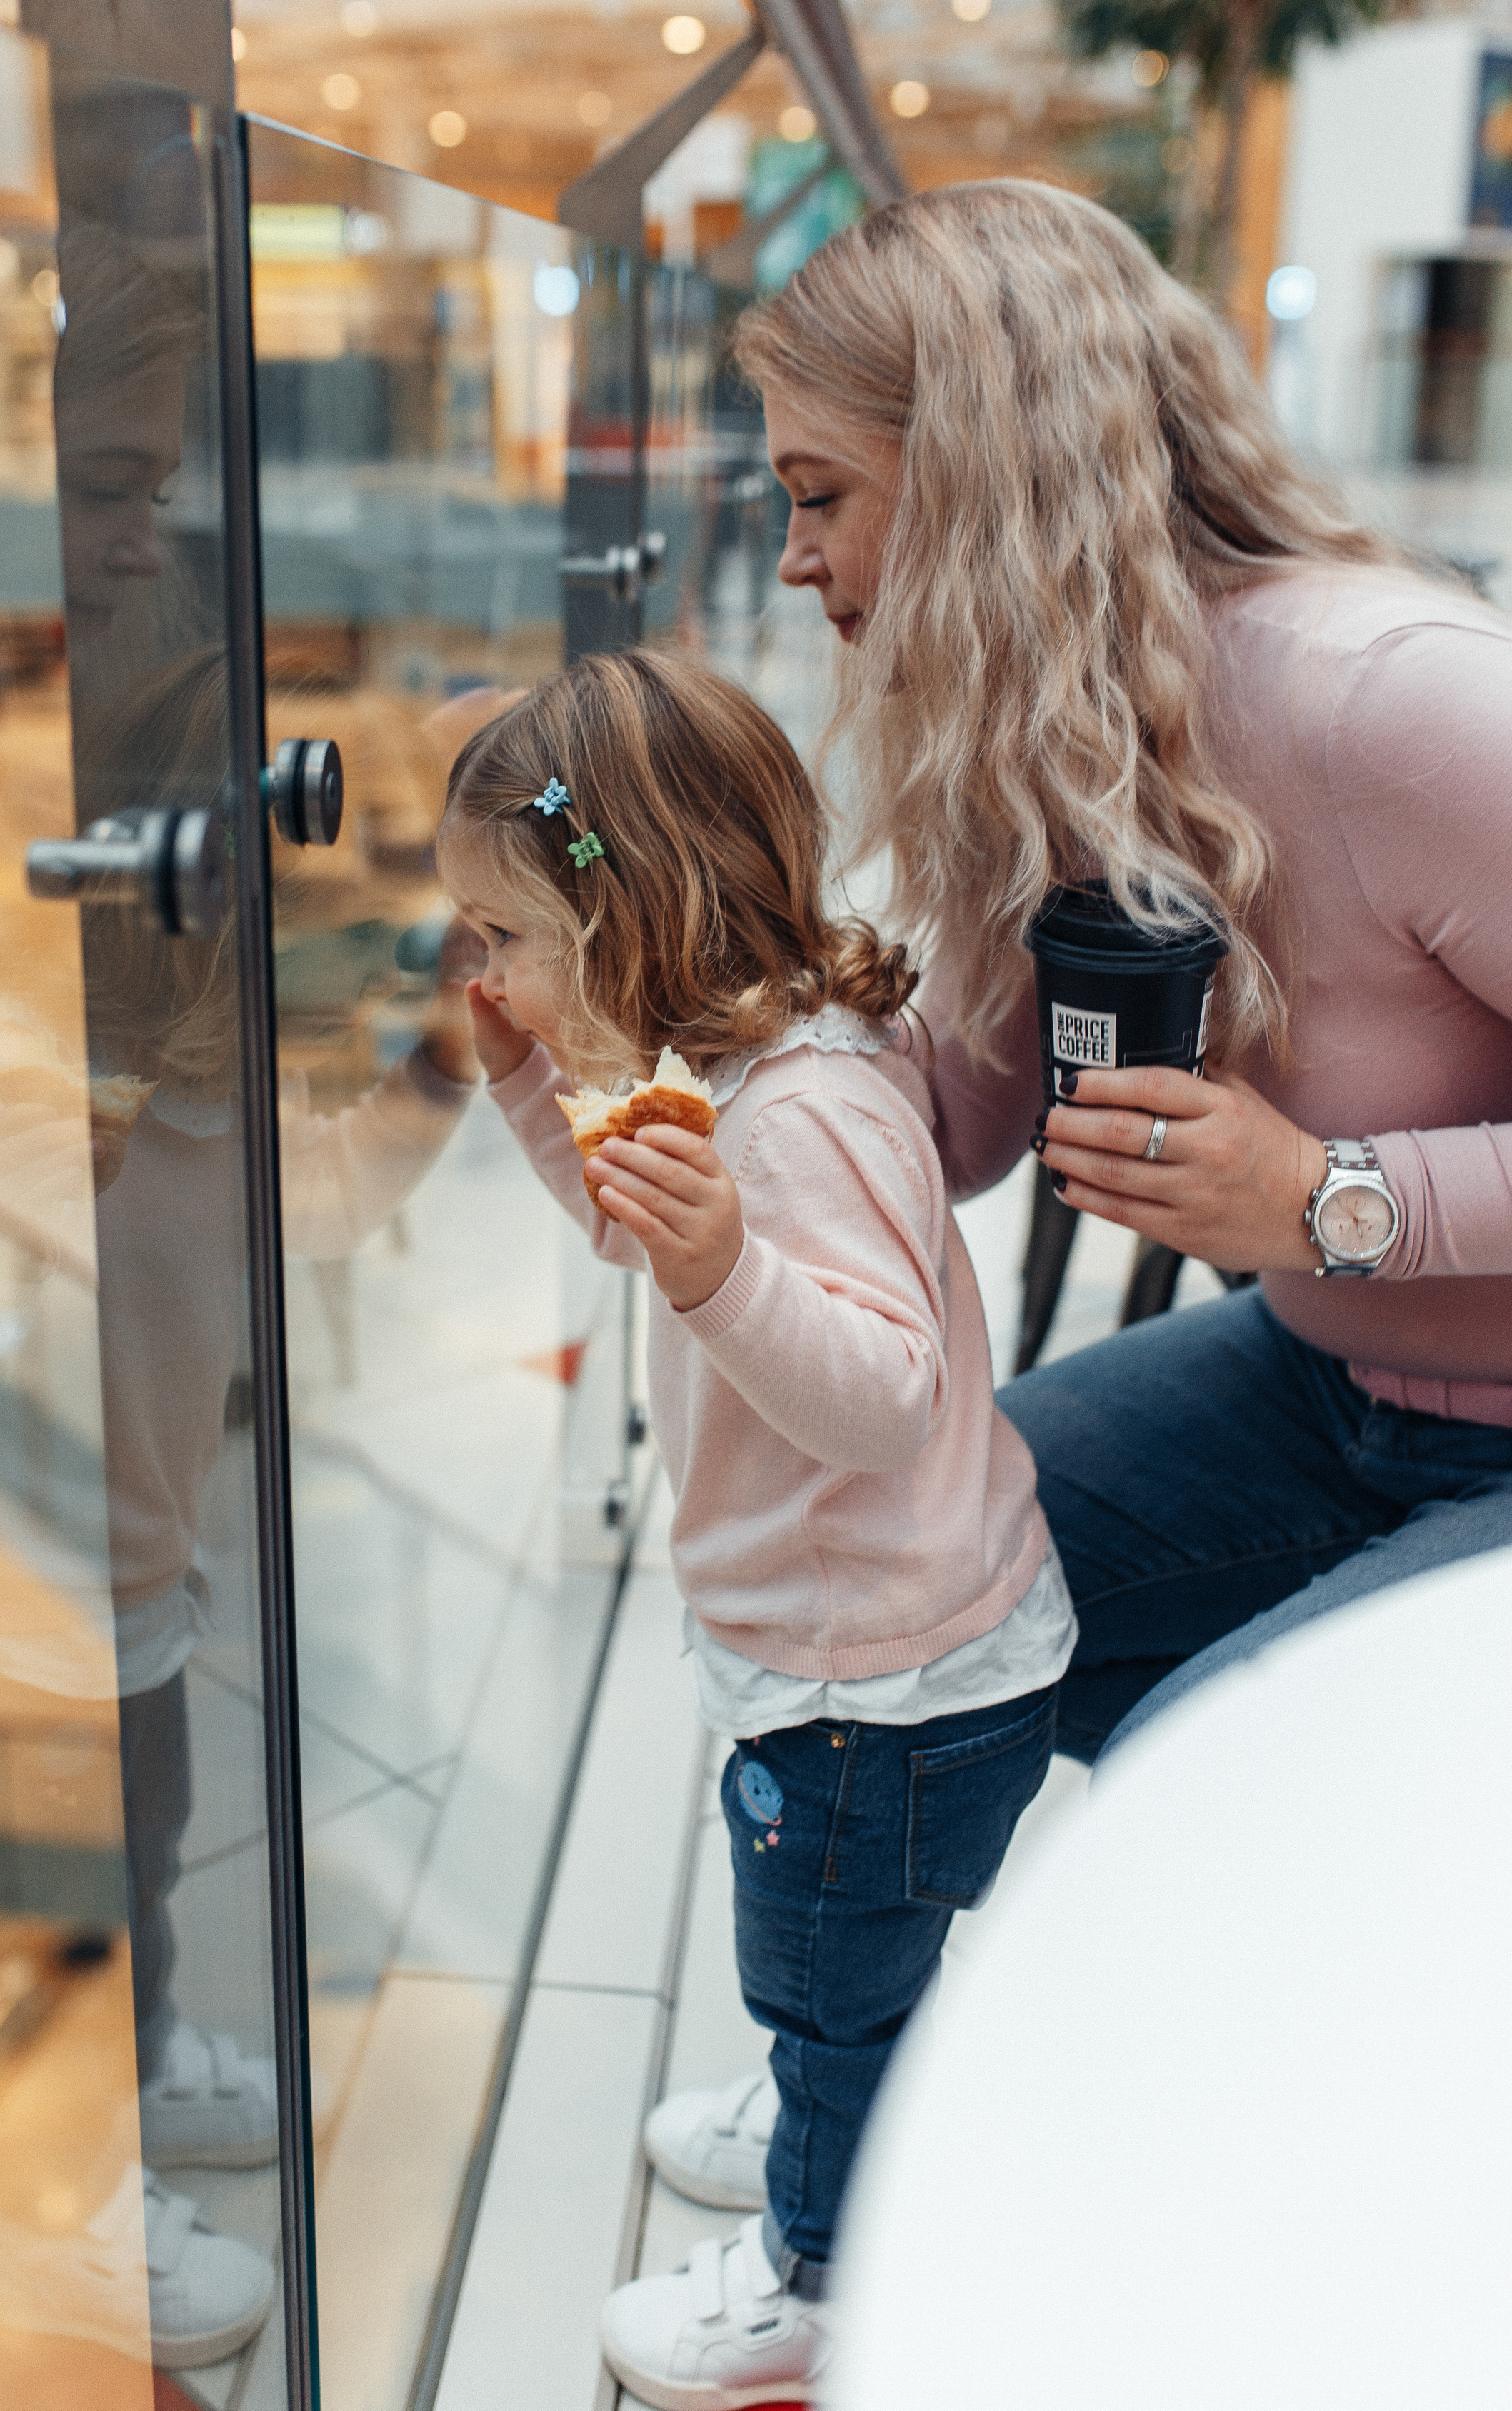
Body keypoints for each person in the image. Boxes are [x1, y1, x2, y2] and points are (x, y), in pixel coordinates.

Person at [725, 179, 1512, 1758]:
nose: (796, 561)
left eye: (821, 495)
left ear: (972, 482)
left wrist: (1324, 1196)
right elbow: (956, 1126)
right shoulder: (1053, 737)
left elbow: (1311, 1194)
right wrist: (656, 970)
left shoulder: (1397, 705)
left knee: (1219, 1776)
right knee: (918, 1609)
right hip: (1318, 1382)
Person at [438, 649, 1075, 2406]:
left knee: (822, 1978)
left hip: (876, 1690)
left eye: (505, 936)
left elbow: (877, 1393)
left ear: (626, 912)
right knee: (831, 1961)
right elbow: (633, 1227)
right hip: (875, 1655)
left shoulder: (791, 1123)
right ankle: (826, 2090)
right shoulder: (736, 1044)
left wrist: (725, 1265)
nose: (481, 969)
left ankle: (817, 2269)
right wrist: (519, 1084)